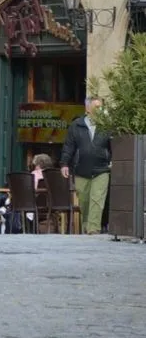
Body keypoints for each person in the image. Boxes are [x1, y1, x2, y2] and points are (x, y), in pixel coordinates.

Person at [60, 97, 112, 235]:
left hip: (102, 169)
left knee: (97, 199)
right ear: (88, 109)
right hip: (81, 170)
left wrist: (113, 160)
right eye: (96, 107)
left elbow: (113, 145)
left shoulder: (107, 125)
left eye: (101, 107)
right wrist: (64, 163)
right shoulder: (76, 125)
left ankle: (93, 229)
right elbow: (69, 146)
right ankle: (86, 226)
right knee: (84, 201)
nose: (99, 110)